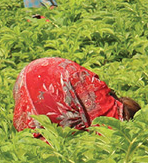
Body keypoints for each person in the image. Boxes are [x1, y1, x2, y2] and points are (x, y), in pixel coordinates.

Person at [12, 57, 140, 136]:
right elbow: (107, 130)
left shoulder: (100, 91)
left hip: (29, 75)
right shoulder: (111, 112)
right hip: (53, 76)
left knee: (39, 134)